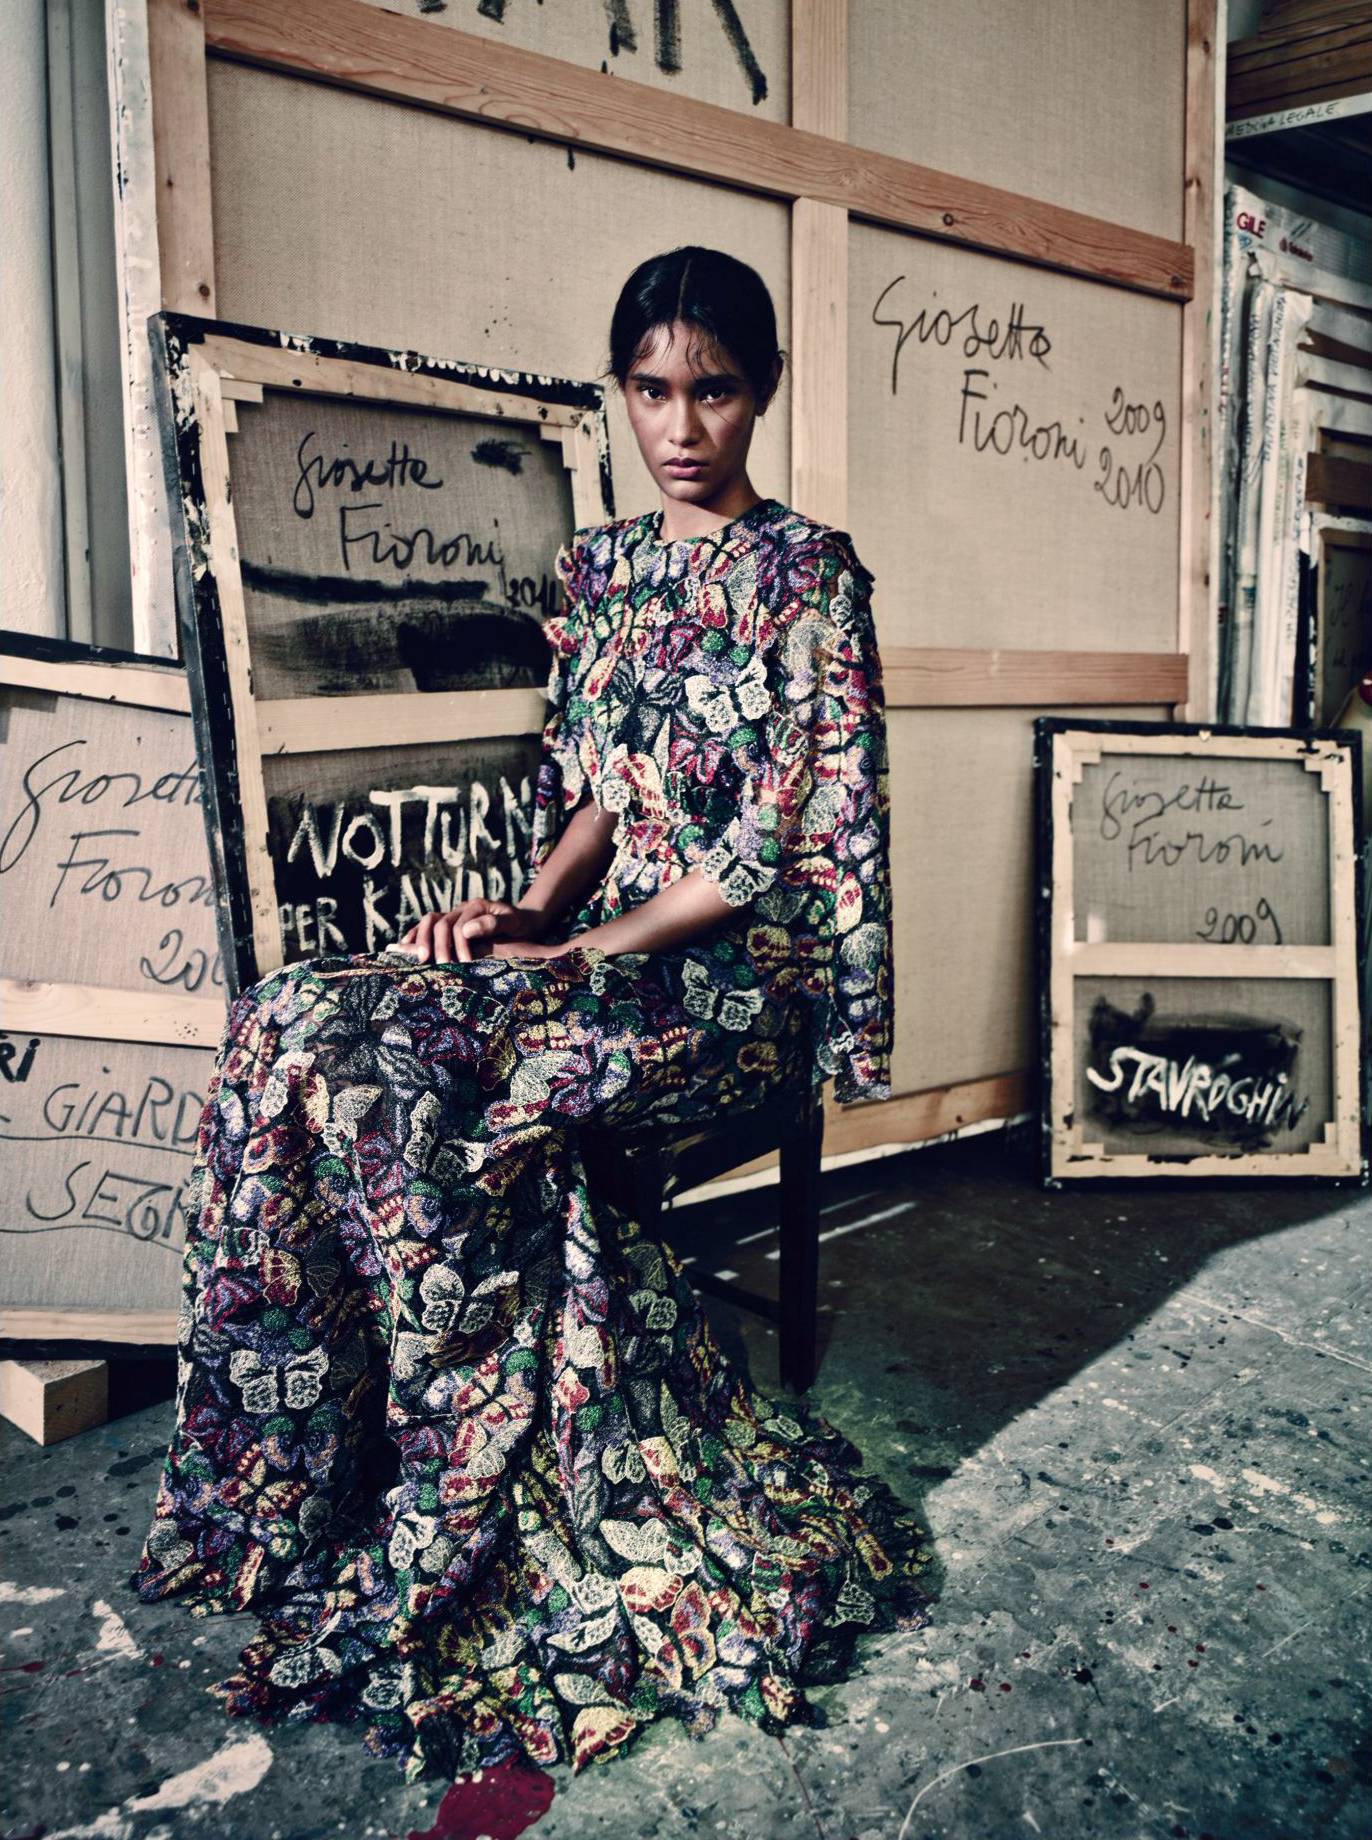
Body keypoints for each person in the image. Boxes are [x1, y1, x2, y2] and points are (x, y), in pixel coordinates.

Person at [128, 245, 934, 1785]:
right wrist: (527, 912)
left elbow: (766, 847)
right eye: (651, 390)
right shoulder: (603, 569)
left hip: (730, 984)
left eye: (713, 390)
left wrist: (584, 953)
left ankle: (474, 1489)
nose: (680, 425)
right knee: (296, 1023)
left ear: (763, 390)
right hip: (604, 946)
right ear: (623, 390)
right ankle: (286, 1482)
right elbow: (599, 796)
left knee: (450, 1091)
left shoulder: (807, 575)